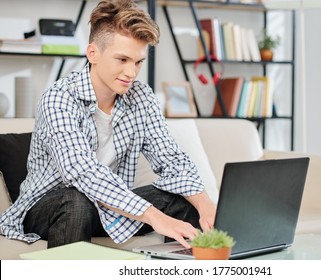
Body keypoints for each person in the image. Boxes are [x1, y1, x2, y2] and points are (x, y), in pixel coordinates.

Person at [0, 0, 216, 249]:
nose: (131, 73)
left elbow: (171, 159)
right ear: (93, 53)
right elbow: (82, 172)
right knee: (76, 200)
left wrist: (205, 204)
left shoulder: (141, 97)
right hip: (47, 206)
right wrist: (155, 217)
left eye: (138, 62)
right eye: (122, 59)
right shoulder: (59, 98)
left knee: (181, 200)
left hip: (106, 204)